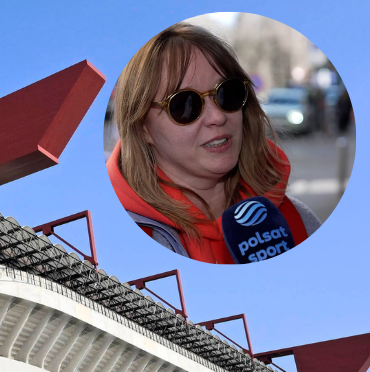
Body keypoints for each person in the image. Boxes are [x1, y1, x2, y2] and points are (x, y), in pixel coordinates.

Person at [107, 23, 321, 264]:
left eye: (226, 93)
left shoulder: (297, 222)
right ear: (143, 128)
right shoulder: (120, 247)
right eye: (185, 105)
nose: (218, 117)